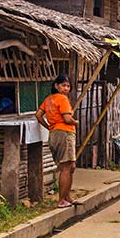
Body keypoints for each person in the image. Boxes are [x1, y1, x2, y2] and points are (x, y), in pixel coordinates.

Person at [35, 75, 80, 208]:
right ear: (56, 86)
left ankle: (67, 197)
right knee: (66, 167)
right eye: (63, 85)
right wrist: (75, 122)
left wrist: (49, 127)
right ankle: (61, 200)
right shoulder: (62, 99)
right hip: (65, 133)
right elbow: (67, 118)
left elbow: (38, 115)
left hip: (54, 134)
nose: (66, 88)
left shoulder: (48, 100)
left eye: (68, 86)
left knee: (71, 166)